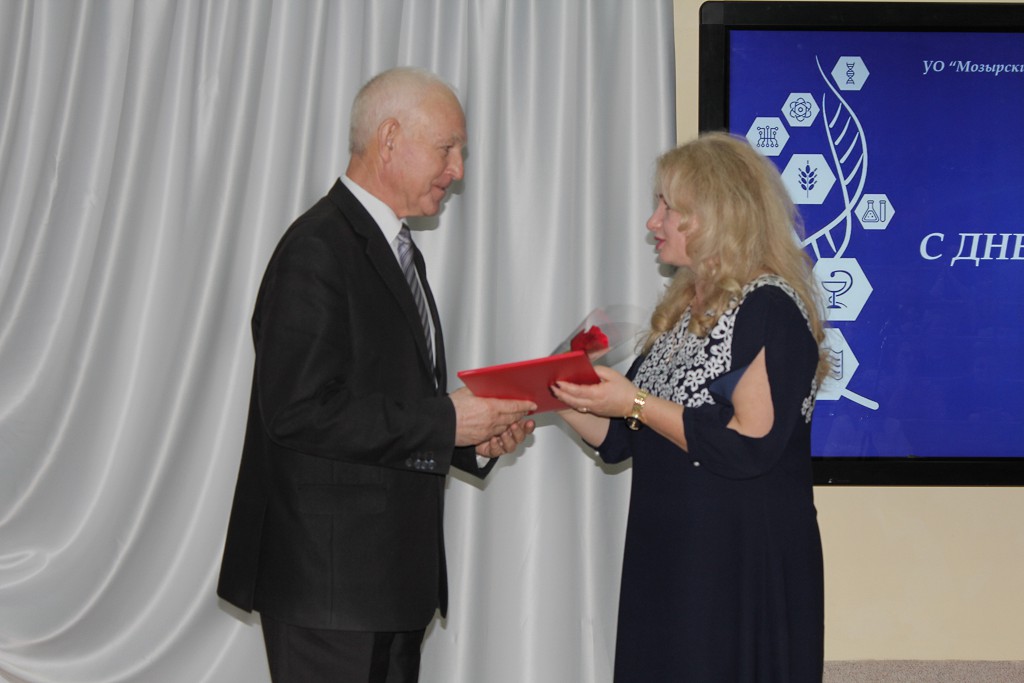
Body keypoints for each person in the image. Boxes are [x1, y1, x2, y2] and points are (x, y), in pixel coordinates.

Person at [217, 66, 536, 683]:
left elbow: (387, 401)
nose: (458, 170)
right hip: (331, 589)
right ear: (389, 139)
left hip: (386, 587)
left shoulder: (393, 249)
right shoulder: (316, 248)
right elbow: (298, 411)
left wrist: (471, 438)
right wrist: (446, 420)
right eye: (448, 148)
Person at [552, 132, 829, 682]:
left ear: (717, 216)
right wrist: (555, 388)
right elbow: (621, 437)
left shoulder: (768, 306)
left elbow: (749, 446)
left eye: (668, 207)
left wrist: (633, 400)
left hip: (738, 572)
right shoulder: (683, 312)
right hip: (671, 565)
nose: (652, 222)